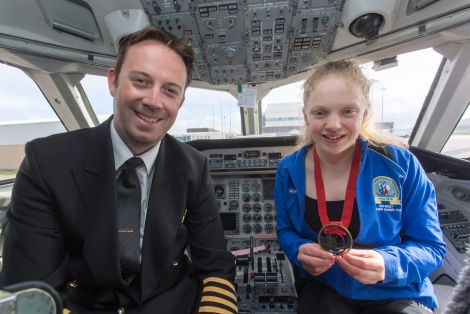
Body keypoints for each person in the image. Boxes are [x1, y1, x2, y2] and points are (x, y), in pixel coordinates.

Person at [1, 26, 238, 314]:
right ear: (113, 81)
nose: (153, 101)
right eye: (140, 81)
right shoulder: (47, 162)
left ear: (180, 101)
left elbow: (215, 266)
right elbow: (31, 288)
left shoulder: (193, 166)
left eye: (169, 90)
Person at [274, 60, 446, 314]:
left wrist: (389, 263)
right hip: (327, 288)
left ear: (365, 113)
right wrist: (298, 249)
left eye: (348, 111)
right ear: (306, 116)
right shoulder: (288, 170)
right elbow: (286, 230)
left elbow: (431, 247)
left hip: (396, 291)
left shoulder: (400, 165)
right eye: (320, 113)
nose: (333, 124)